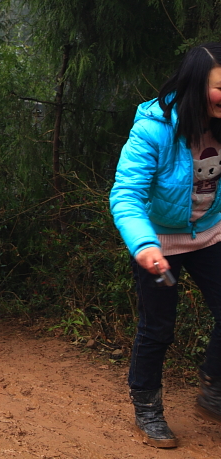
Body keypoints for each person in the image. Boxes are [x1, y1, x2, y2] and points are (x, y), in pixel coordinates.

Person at [110, 43, 221, 448]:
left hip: (210, 235)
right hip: (158, 242)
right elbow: (126, 194)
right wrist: (143, 244)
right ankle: (148, 408)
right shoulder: (154, 127)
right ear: (195, 86)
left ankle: (213, 385)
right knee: (158, 329)